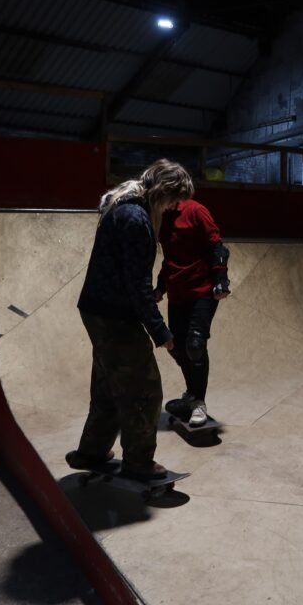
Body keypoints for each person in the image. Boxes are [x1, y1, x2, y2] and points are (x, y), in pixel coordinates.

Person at [66, 159, 194, 480]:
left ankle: (92, 450)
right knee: (143, 389)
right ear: (164, 192)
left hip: (97, 308)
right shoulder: (136, 219)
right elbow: (137, 286)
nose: (172, 209)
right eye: (173, 202)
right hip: (115, 315)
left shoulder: (121, 203)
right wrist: (161, 331)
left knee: (109, 384)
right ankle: (138, 461)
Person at [155, 196, 230, 427]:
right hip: (178, 292)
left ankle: (199, 403)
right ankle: (191, 394)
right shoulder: (161, 217)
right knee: (175, 347)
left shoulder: (196, 210)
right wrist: (160, 287)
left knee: (195, 346)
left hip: (203, 290)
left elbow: (217, 246)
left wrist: (220, 279)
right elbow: (170, 259)